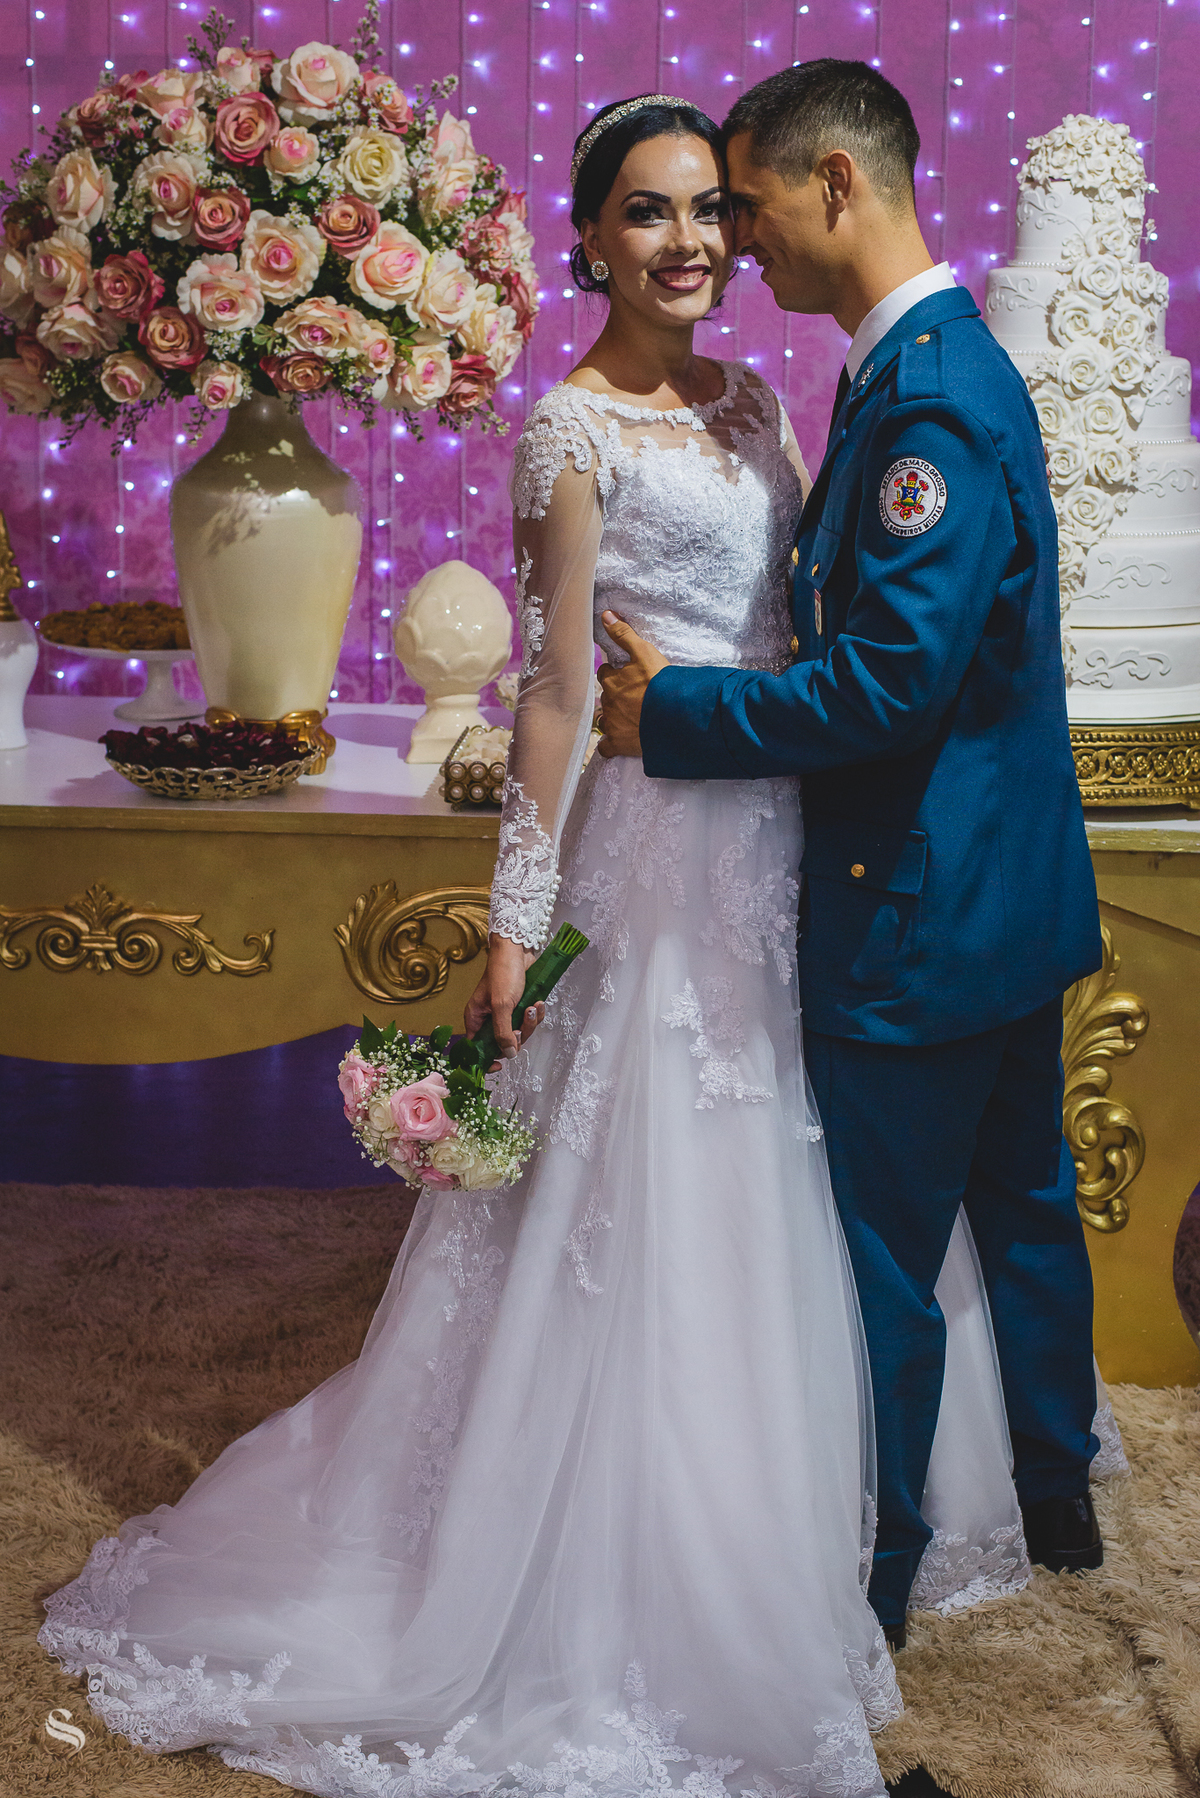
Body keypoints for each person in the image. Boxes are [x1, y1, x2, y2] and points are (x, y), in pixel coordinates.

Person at [37, 96, 1054, 1798]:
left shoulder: (757, 406)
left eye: (707, 216)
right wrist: (519, 921)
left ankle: (779, 1541)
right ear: (586, 235)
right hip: (649, 856)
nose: (689, 247)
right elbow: (561, 693)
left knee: (787, 1184)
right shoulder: (563, 436)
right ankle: (600, 1574)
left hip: (777, 840)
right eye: (648, 216)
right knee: (629, 1188)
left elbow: (802, 624)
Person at [596, 62, 1107, 1649]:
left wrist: (668, 715)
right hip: (1008, 896)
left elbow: (893, 680)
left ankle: (871, 1578)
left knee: (881, 1252)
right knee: (1025, 1204)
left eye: (747, 201)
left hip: (926, 915)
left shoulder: (930, 397)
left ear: (833, 184)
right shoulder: (919, 369)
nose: (736, 239)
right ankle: (1056, 1486)